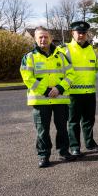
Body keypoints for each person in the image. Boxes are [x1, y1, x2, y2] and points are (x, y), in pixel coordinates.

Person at [20, 27, 76, 167]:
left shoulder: (61, 55)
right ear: (35, 39)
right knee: (42, 130)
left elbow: (71, 75)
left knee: (62, 128)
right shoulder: (29, 57)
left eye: (45, 37)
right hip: (40, 100)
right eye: (40, 37)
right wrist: (45, 91)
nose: (43, 39)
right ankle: (43, 155)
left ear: (50, 38)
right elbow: (27, 78)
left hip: (60, 98)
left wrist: (59, 88)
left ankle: (64, 152)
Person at [63, 21, 98, 156]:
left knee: (89, 120)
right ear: (72, 33)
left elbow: (95, 68)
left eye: (83, 33)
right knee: (73, 122)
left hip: (89, 92)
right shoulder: (64, 49)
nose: (81, 35)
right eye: (78, 33)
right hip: (72, 93)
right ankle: (75, 147)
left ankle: (90, 143)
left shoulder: (92, 51)